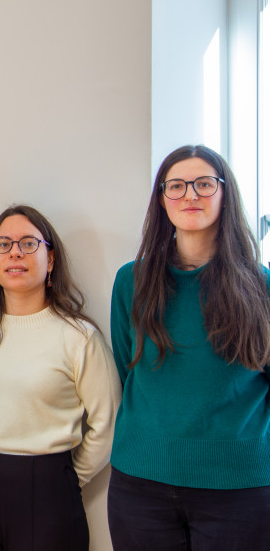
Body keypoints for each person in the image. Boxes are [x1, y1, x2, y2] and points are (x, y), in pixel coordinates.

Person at [107, 144, 270, 550]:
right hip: (140, 485)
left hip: (240, 487)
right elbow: (129, 367)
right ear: (162, 200)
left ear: (225, 194)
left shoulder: (261, 285)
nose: (190, 195)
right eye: (176, 186)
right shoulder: (132, 281)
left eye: (203, 184)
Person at [0, 205, 120, 550]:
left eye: (28, 243)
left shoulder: (79, 337)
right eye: (3, 244)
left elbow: (108, 423)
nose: (15, 253)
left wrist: (66, 479)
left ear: (50, 259)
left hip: (49, 492)